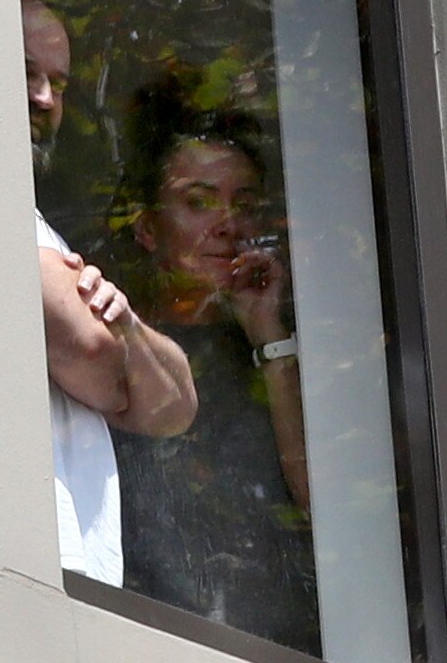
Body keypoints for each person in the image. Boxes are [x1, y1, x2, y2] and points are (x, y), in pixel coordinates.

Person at [110, 82, 320, 654]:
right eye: (199, 202)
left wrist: (268, 334)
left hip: (281, 638)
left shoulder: (286, 349)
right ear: (148, 227)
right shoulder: (108, 344)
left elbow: (326, 510)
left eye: (244, 204)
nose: (228, 223)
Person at [22, 0, 197, 586]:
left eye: (59, 83)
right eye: (24, 72)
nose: (45, 99)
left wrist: (124, 326)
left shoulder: (35, 225)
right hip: (20, 575)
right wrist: (115, 345)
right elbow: (93, 354)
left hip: (65, 579)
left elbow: (175, 405)